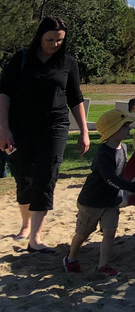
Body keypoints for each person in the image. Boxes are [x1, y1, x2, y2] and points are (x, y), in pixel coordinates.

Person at [0, 16, 90, 251]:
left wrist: (83, 131)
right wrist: (3, 128)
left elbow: (75, 98)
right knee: (24, 178)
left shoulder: (68, 62)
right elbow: (4, 94)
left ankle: (35, 238)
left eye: (60, 40)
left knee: (47, 176)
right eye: (50, 39)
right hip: (19, 127)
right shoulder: (21, 59)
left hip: (55, 126)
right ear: (39, 37)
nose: (54, 44)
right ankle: (25, 224)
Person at [63, 109, 135, 276]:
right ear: (113, 130)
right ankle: (71, 258)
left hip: (111, 200)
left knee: (110, 232)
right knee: (83, 233)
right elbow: (111, 179)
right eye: (125, 126)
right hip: (93, 201)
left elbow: (122, 171)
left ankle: (103, 265)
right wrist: (134, 187)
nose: (129, 129)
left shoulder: (122, 147)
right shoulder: (103, 154)